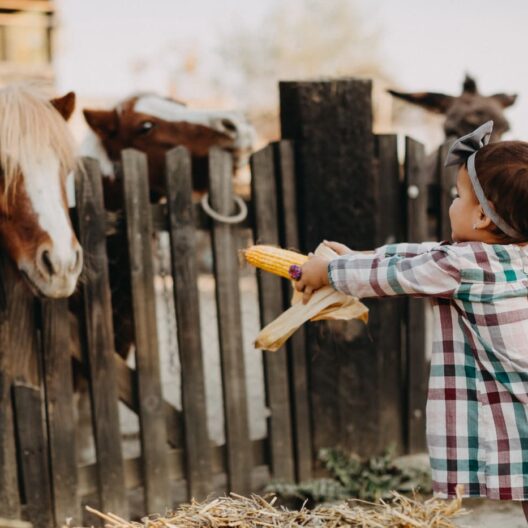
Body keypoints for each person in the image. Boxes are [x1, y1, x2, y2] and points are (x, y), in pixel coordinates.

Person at [293, 121, 528, 520]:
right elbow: (422, 258)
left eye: (458, 197)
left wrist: (329, 273)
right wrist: (358, 256)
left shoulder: (461, 266)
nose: (452, 204)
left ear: (483, 219)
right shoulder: (513, 257)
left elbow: (401, 275)